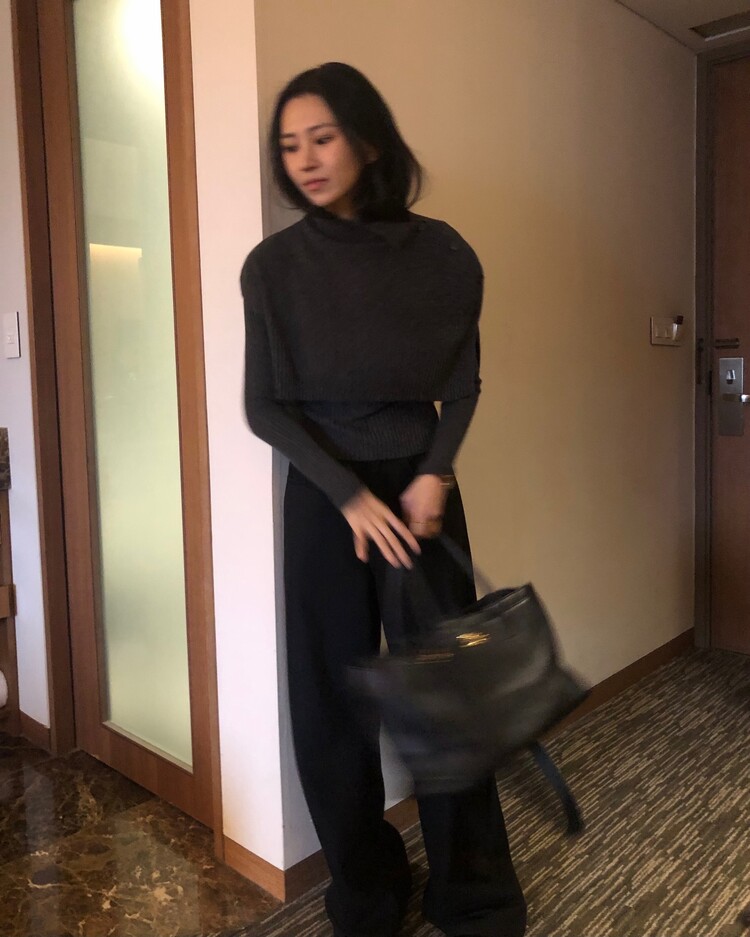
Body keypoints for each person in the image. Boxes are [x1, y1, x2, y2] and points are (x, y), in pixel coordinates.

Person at [241, 62, 526, 937]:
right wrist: (348, 496)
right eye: (289, 145)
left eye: (321, 138)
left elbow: (463, 385)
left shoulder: (444, 254)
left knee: (446, 702)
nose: (304, 159)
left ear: (366, 141)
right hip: (324, 501)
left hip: (420, 490)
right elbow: (264, 406)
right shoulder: (272, 268)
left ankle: (474, 899)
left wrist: (433, 473)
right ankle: (365, 892)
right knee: (330, 706)